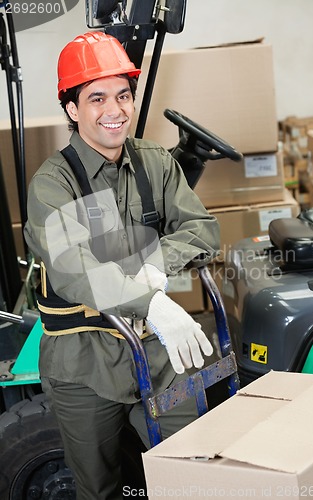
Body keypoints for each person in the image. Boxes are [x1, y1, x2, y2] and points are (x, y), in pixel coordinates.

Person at [24, 31, 220, 499]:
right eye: (96, 98)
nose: (115, 110)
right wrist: (151, 301)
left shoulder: (154, 163)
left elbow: (203, 231)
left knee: (192, 470)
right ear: (72, 109)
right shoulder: (52, 185)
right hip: (83, 366)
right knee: (100, 488)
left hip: (158, 357)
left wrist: (156, 261)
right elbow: (75, 267)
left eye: (123, 95)